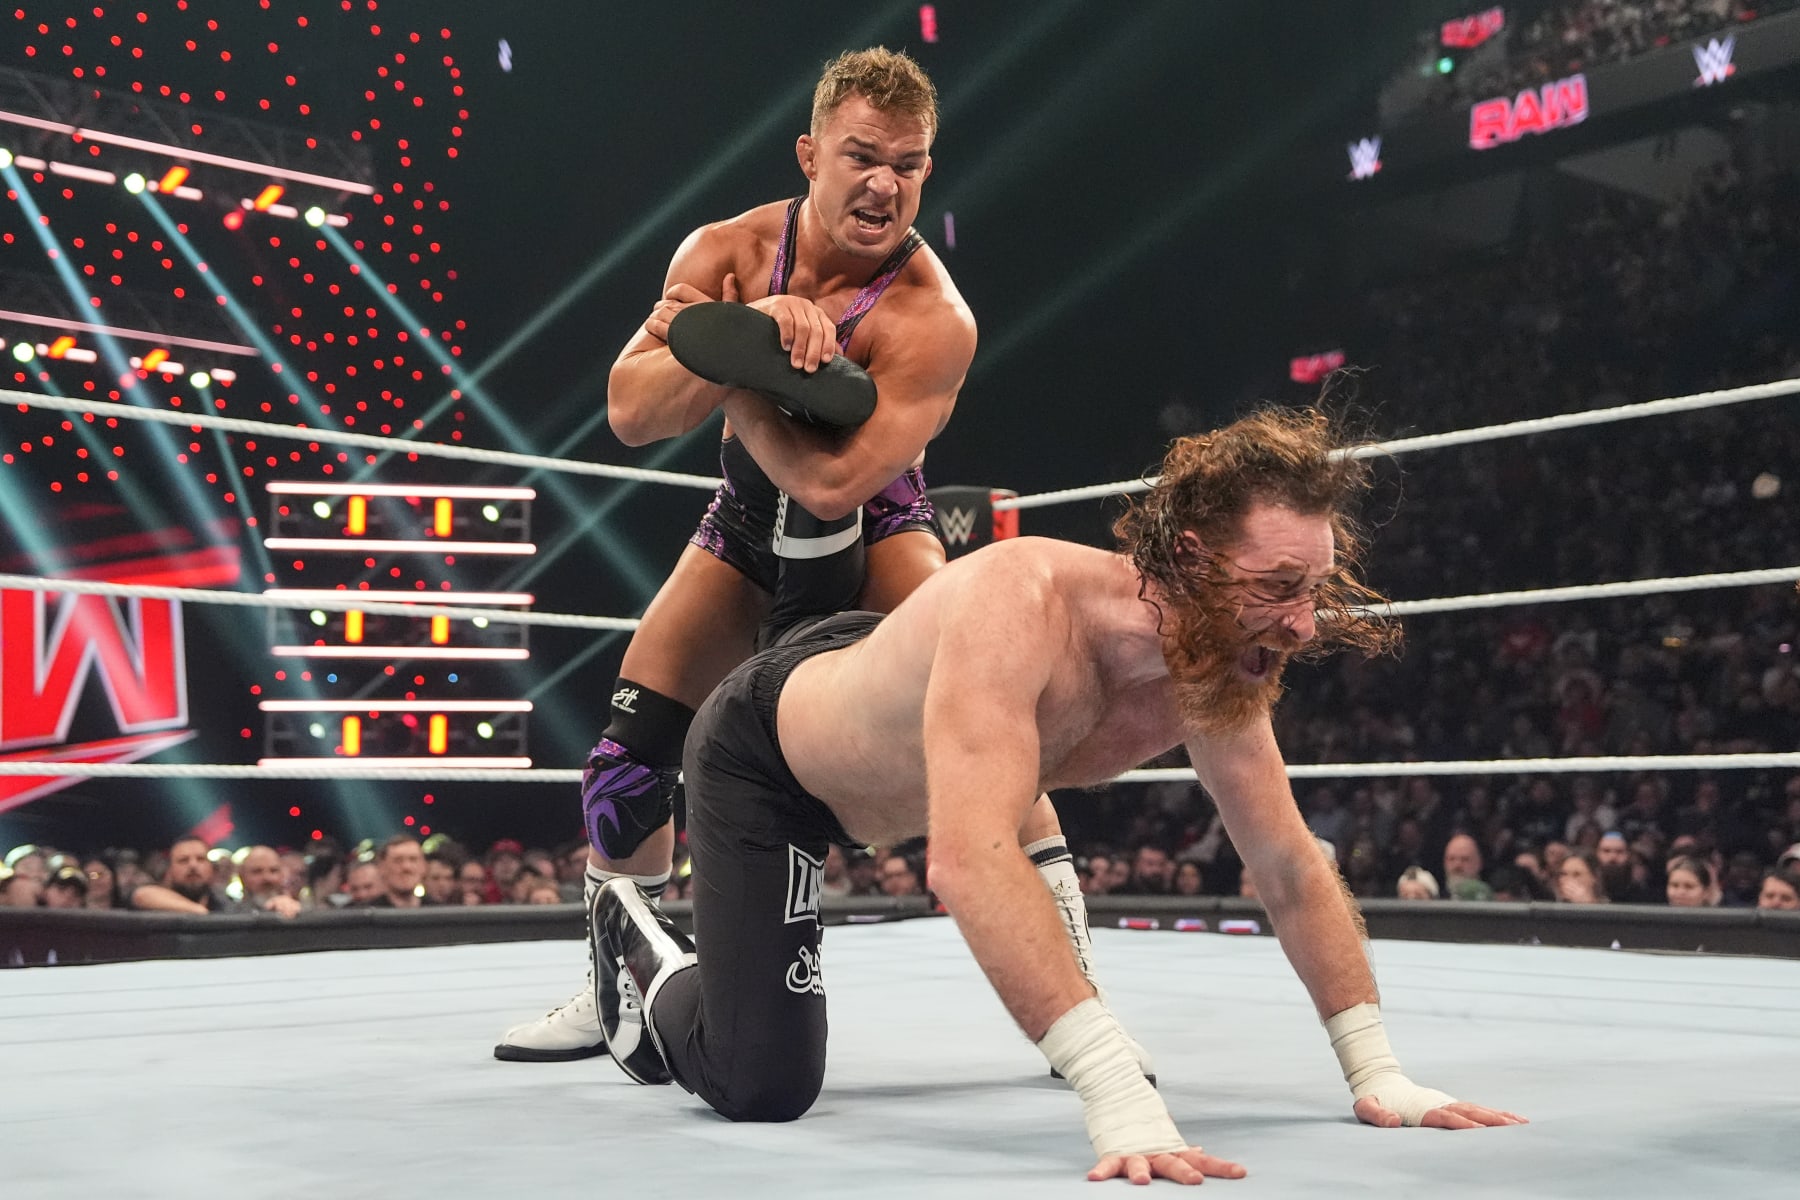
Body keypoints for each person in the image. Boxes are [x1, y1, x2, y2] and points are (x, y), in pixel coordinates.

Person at [594, 408, 1525, 1182]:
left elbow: (1285, 862)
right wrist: (1116, 1092)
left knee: (1001, 777)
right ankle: (634, 929)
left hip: (892, 722)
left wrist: (1378, 1071)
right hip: (768, 760)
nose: (1304, 623)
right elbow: (968, 861)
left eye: (1313, 588)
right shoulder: (1022, 602)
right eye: (1280, 586)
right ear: (1193, 557)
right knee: (761, 1085)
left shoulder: (1215, 665)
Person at [498, 46, 1095, 1064]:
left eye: (908, 164)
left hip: (882, 529)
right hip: (741, 524)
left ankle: (1073, 992)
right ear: (811, 154)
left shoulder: (932, 317)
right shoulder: (726, 250)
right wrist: (747, 330)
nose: (884, 185)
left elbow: (833, 486)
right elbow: (630, 412)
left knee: (979, 723)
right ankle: (613, 991)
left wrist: (737, 365)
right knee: (626, 761)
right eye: (863, 156)